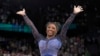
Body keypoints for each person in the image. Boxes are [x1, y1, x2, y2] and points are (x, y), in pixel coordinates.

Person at [16, 5, 83, 56]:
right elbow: (32, 27)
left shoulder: (60, 37)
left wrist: (74, 14)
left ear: (56, 31)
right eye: (49, 27)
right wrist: (24, 15)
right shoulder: (40, 38)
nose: (50, 29)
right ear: (46, 29)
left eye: (53, 28)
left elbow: (66, 25)